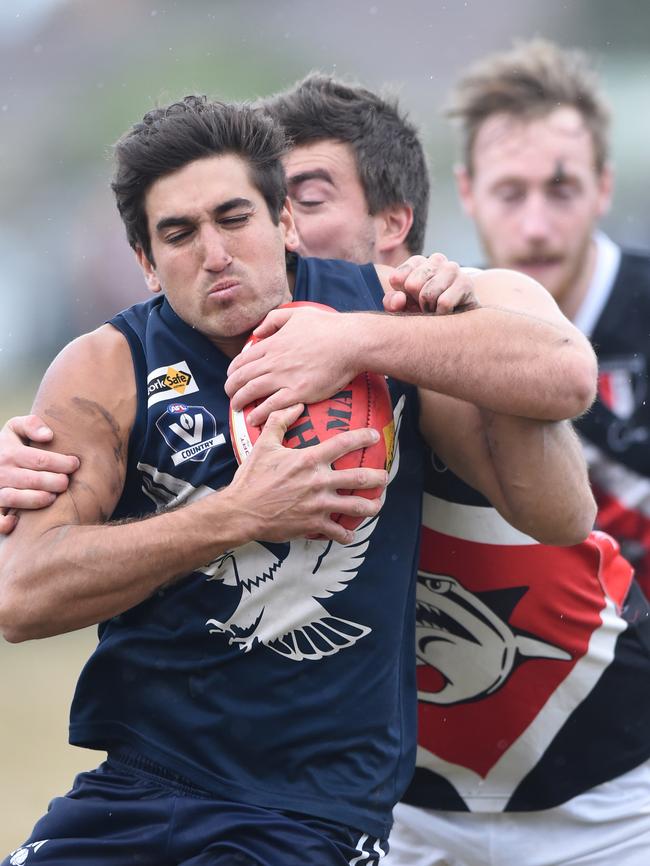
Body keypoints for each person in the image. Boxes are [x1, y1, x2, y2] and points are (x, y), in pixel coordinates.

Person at [0, 94, 594, 865]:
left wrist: (363, 341)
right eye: (178, 234)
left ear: (283, 221)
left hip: (310, 811)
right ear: (145, 263)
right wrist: (236, 515)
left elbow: (562, 486)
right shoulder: (108, 369)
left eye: (234, 217)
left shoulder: (393, 312)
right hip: (136, 789)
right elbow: (20, 598)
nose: (213, 252)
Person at [386, 42, 650, 866]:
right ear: (467, 194)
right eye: (511, 192)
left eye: (562, 189)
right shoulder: (424, 323)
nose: (536, 224)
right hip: (439, 771)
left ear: (604, 186)